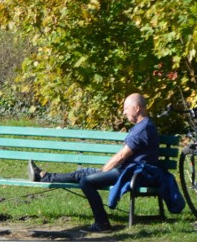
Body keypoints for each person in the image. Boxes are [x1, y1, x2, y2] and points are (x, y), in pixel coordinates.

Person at [27, 93, 159, 233]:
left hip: (133, 174)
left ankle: (102, 223)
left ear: (137, 108)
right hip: (128, 171)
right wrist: (103, 170)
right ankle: (43, 176)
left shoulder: (143, 129)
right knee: (84, 172)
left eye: (126, 108)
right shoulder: (143, 126)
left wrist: (103, 171)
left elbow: (121, 156)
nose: (124, 112)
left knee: (86, 181)